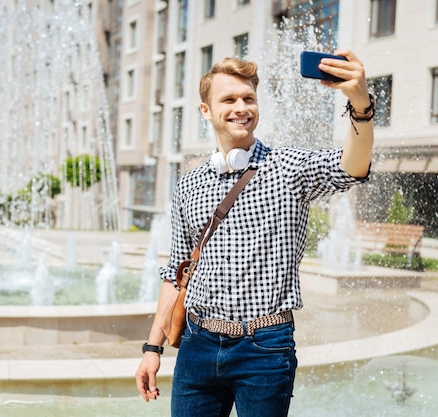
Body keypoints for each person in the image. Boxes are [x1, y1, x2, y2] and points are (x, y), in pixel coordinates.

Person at [135, 50, 375, 417]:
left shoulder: (287, 167)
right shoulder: (189, 184)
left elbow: (352, 168)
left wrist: (360, 105)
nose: (241, 107)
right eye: (228, 99)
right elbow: (176, 273)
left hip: (264, 348)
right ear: (206, 111)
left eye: (248, 98)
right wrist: (152, 349)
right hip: (197, 345)